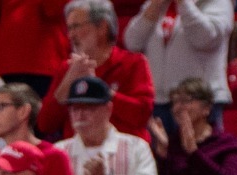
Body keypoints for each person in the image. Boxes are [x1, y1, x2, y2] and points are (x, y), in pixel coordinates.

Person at [38, 0, 153, 138]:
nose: (71, 35)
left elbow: (141, 115)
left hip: (124, 151)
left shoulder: (133, 63)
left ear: (102, 27)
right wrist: (67, 83)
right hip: (79, 154)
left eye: (76, 26)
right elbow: (45, 124)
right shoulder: (68, 69)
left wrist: (99, 88)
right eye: (69, 28)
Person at [125, 0, 230, 132]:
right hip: (159, 101)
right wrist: (155, 5)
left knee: (198, 151)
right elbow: (132, 42)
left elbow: (205, 38)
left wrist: (183, 3)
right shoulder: (156, 4)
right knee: (160, 151)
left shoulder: (217, 3)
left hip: (198, 103)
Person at [151, 77, 237, 175]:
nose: (178, 108)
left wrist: (194, 153)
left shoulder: (225, 142)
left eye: (185, 101)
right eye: (174, 102)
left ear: (206, 109)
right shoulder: (172, 142)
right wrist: (162, 155)